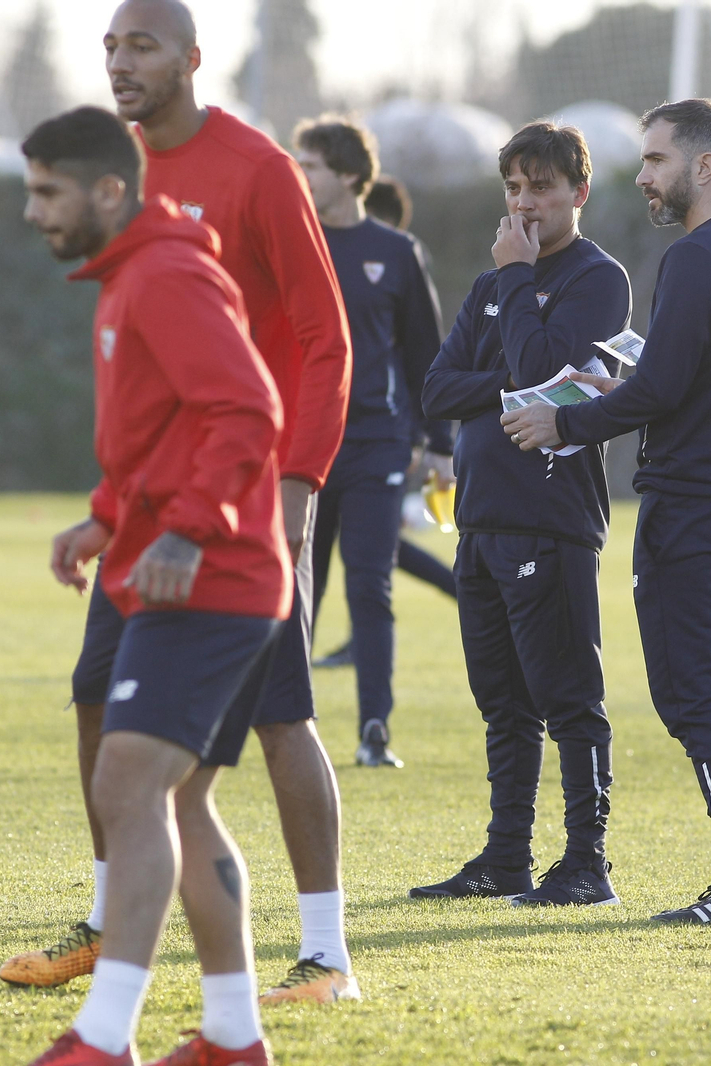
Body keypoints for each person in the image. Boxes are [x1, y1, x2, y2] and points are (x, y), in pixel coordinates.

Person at [0, 0, 361, 1009]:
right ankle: (115, 917)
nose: (119, 61)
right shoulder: (113, 175)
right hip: (148, 515)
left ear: (193, 60)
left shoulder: (253, 170)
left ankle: (327, 953)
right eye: (109, 44)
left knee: (283, 719)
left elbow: (324, 339)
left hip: (246, 506)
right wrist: (113, 503)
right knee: (94, 698)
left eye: (141, 45)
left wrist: (296, 481)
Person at [20, 105, 283, 1066]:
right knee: (180, 801)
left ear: (109, 190)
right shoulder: (135, 274)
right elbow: (157, 431)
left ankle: (104, 1037)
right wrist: (105, 515)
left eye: (47, 192)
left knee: (128, 781)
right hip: (197, 577)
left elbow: (247, 411)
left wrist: (185, 528)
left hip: (209, 582)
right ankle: (231, 1038)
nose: (31, 211)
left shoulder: (167, 275)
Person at [501, 99, 711, 925]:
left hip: (694, 511)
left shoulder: (701, 257)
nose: (643, 177)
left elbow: (664, 388)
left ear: (706, 166)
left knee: (694, 699)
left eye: (657, 160)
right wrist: (623, 391)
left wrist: (565, 419)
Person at [414, 122, 631, 907]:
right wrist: (513, 374)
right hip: (481, 518)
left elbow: (547, 368)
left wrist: (515, 299)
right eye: (513, 188)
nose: (525, 203)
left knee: (569, 696)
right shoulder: (491, 284)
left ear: (578, 191)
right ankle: (507, 858)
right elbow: (438, 392)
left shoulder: (598, 280)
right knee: (502, 704)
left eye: (540, 187)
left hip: (552, 517)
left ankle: (587, 862)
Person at [293, 116, 451, 768]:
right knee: (300, 586)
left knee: (370, 587)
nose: (301, 175)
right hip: (303, 445)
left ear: (351, 175)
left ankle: (374, 730)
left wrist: (438, 445)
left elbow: (425, 356)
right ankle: (285, 723)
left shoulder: (396, 252)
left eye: (313, 165)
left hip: (378, 443)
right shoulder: (290, 245)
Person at [313, 173, 456, 671]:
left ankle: (459, 590)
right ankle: (362, 636)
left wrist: (425, 434)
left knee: (372, 550)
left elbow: (419, 354)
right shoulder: (332, 255)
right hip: (352, 433)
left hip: (387, 433)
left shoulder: (398, 259)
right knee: (373, 548)